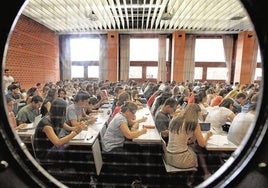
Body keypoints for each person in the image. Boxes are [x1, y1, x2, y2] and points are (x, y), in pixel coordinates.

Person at [33, 98, 86, 167]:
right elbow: (58, 143)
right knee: (74, 150)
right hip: (45, 153)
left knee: (76, 149)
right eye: (64, 110)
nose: (65, 112)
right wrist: (76, 132)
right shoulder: (46, 125)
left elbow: (70, 128)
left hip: (52, 147)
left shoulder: (55, 118)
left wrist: (79, 127)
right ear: (59, 111)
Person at [165, 103, 213, 180]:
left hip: (168, 156)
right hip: (181, 159)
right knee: (199, 150)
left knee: (195, 148)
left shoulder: (175, 118)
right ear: (196, 114)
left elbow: (187, 139)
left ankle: (200, 174)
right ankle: (199, 175)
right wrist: (207, 135)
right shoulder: (193, 123)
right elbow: (202, 144)